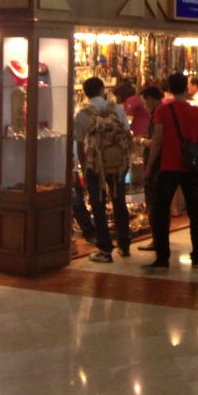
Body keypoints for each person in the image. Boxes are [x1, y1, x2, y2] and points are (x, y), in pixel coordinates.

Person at [145, 73, 198, 270]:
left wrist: (149, 167)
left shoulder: (163, 111)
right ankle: (197, 254)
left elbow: (157, 142)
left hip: (169, 167)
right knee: (194, 211)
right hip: (191, 168)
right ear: (185, 88)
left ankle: (163, 257)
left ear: (170, 89)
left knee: (161, 211)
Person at [74, 77, 131, 263]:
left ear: (84, 92)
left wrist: (84, 167)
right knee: (119, 202)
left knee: (98, 205)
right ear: (102, 90)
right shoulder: (117, 110)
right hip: (117, 165)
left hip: (95, 165)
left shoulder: (83, 114)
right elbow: (126, 134)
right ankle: (124, 245)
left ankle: (105, 249)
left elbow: (80, 145)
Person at [135, 85, 163, 253]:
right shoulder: (166, 111)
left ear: (150, 99)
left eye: (145, 101)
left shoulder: (157, 115)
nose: (145, 105)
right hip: (165, 164)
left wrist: (141, 142)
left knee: (153, 203)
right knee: (160, 203)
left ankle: (156, 239)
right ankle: (161, 237)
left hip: (156, 164)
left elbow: (155, 143)